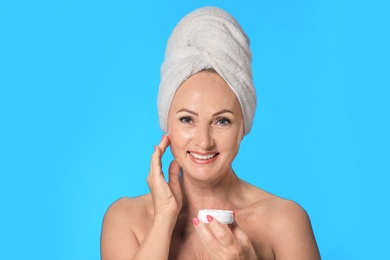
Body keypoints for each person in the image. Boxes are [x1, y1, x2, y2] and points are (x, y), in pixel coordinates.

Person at [100, 6, 320, 260]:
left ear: (243, 127)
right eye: (187, 119)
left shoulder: (285, 222)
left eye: (222, 121)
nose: (204, 141)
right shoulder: (126, 219)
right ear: (167, 125)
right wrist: (164, 216)